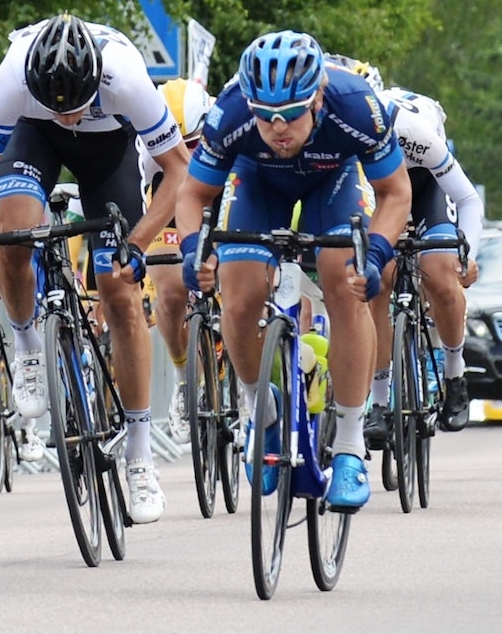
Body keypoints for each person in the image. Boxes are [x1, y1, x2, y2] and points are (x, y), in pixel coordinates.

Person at [0, 13, 190, 525]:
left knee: (121, 296)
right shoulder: (13, 76)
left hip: (107, 151)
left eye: (76, 105)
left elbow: (178, 168)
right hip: (32, 138)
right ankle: (27, 348)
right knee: (15, 232)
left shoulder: (126, 77)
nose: (69, 115)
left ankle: (138, 455)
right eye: (57, 106)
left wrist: (137, 243)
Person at [176, 30, 412, 512]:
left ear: (318, 98)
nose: (278, 128)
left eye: (290, 116)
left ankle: (348, 448)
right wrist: (193, 251)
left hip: (335, 181)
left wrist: (376, 255)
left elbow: (396, 193)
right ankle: (260, 414)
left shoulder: (355, 105)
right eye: (265, 118)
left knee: (345, 283)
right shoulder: (231, 113)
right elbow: (193, 194)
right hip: (259, 184)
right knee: (238, 300)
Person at [333, 58, 482, 440]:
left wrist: (469, 253)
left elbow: (467, 198)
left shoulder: (413, 130)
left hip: (424, 182)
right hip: (379, 189)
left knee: (441, 275)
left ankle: (454, 373)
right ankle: (379, 402)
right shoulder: (339, 134)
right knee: (377, 278)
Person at [146, 78, 214, 445]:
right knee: (171, 292)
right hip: (167, 195)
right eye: (177, 145)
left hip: (218, 191)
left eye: (192, 144)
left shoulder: (225, 127)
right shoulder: (146, 147)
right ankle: (185, 380)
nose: (185, 153)